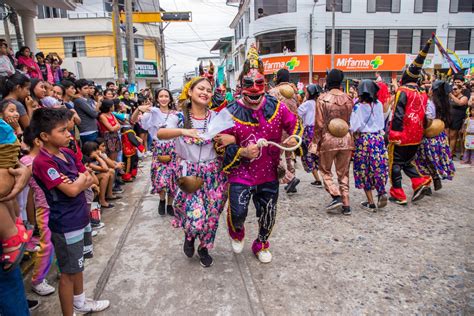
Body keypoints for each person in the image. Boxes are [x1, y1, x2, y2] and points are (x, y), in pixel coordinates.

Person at [222, 45, 302, 263]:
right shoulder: (229, 112)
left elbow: (295, 125)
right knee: (238, 212)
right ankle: (236, 231)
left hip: (268, 172)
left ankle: (261, 243)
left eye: (259, 83)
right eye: (249, 84)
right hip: (241, 173)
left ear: (265, 85)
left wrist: (294, 138)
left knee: (268, 213)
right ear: (241, 86)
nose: (255, 89)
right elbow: (218, 143)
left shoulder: (278, 107)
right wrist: (241, 151)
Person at [31, 108, 110, 315]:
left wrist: (79, 181)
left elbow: (89, 179)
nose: (68, 134)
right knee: (67, 273)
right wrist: (79, 181)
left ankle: (81, 302)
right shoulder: (43, 162)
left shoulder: (67, 153)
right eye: (62, 131)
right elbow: (73, 189)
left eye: (68, 130)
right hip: (66, 224)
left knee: (79, 265)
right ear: (44, 136)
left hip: (80, 216)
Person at [157, 77, 230, 268]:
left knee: (212, 215)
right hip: (189, 173)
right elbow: (160, 134)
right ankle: (189, 237)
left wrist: (226, 139)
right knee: (195, 216)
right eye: (201, 88)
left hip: (214, 173)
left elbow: (232, 135)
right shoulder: (178, 117)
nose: (205, 92)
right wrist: (183, 132)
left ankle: (204, 247)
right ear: (190, 92)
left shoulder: (215, 116)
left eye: (209, 90)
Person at [387, 36, 434, 205]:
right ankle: (418, 182)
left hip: (402, 134)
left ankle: (398, 193)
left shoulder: (403, 91)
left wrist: (394, 133)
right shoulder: (422, 93)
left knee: (395, 163)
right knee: (407, 161)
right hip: (416, 135)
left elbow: (398, 114)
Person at [313, 69, 354, 215]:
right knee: (344, 173)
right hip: (346, 138)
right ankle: (346, 204)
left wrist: (314, 145)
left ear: (328, 81)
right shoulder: (349, 99)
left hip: (328, 140)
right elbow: (350, 121)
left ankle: (335, 195)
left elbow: (318, 125)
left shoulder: (322, 99)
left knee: (325, 170)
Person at [136, 88, 177, 216]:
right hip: (158, 147)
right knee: (159, 178)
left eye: (166, 96)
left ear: (170, 99)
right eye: (161, 96)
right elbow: (133, 121)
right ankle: (162, 200)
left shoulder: (176, 115)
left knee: (172, 178)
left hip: (173, 148)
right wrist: (139, 109)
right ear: (157, 99)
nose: (164, 98)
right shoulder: (151, 113)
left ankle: (170, 204)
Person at [350, 79, 389, 211]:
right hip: (378, 139)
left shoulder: (357, 106)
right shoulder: (378, 104)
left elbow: (354, 126)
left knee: (364, 170)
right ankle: (382, 191)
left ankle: (371, 201)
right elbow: (382, 122)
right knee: (378, 167)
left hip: (364, 140)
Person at [414, 80, 455, 190]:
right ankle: (435, 177)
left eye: (431, 88)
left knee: (423, 161)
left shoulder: (430, 103)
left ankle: (427, 185)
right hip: (440, 136)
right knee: (433, 160)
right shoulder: (446, 104)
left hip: (429, 136)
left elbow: (428, 120)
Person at [268, 68, 301, 193]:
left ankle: (290, 178)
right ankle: (292, 178)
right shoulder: (294, 92)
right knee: (289, 155)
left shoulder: (273, 92)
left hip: (278, 129)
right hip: (292, 128)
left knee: (275, 156)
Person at [297, 84, 323, 186]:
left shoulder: (307, 104)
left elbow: (297, 113)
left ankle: (317, 179)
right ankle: (323, 177)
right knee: (317, 154)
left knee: (308, 155)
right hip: (319, 130)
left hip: (309, 131)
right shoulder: (319, 103)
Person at [74, 79, 100, 144]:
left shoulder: (86, 99)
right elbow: (94, 114)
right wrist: (98, 104)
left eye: (88, 88)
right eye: (85, 88)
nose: (88, 90)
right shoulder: (79, 100)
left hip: (92, 130)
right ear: (78, 89)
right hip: (87, 132)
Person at [448, 82, 468, 157]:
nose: (454, 91)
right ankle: (449, 152)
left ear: (460, 90)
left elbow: (460, 103)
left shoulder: (464, 97)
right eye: (452, 89)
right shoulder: (451, 97)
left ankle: (450, 154)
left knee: (453, 135)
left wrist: (451, 95)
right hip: (449, 118)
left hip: (458, 119)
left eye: (455, 89)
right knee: (448, 136)